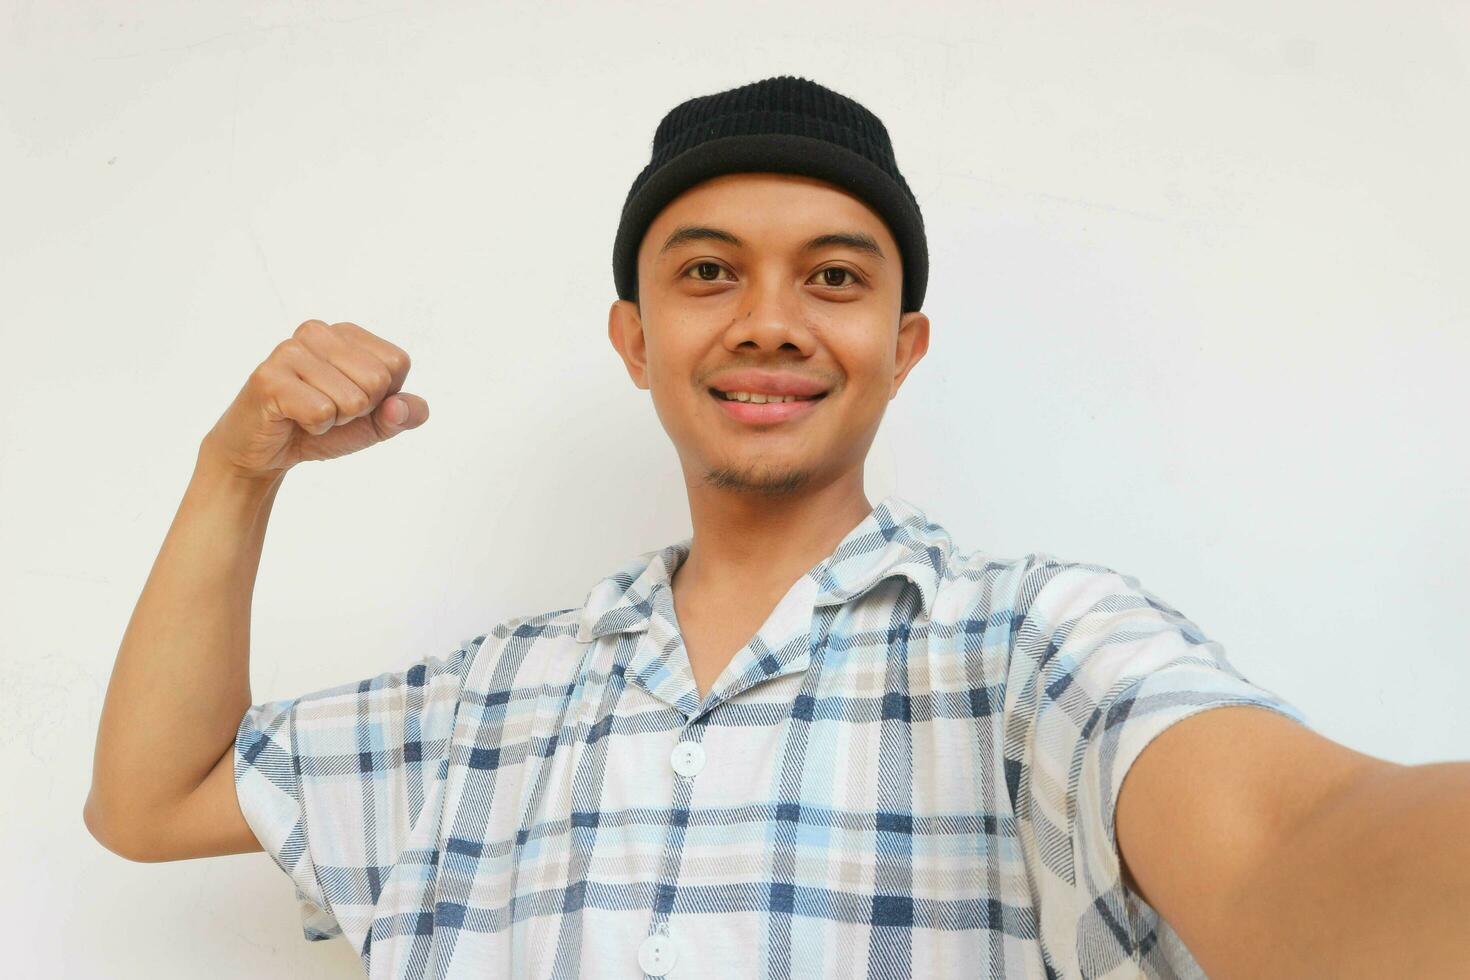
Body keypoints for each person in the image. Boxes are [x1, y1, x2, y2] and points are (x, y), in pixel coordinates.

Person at [84, 75, 1468, 979]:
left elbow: (1301, 838)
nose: (766, 319)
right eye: (706, 274)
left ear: (900, 342)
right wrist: (235, 466)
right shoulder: (489, 698)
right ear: (633, 339)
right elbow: (149, 805)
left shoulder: (1033, 643)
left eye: (831, 275)